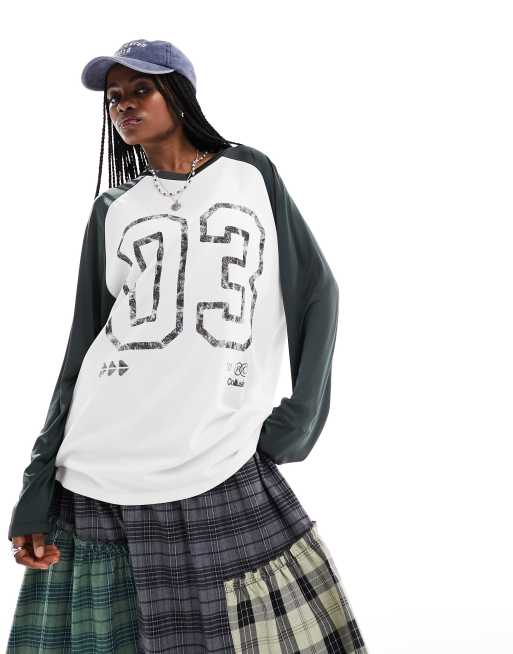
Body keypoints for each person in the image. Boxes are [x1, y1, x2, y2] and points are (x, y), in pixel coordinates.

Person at [7, 39, 369, 653]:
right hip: (98, 468)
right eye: (114, 98)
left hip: (217, 454)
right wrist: (36, 484)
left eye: (140, 89)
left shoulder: (249, 173)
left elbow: (316, 292)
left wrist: (302, 415)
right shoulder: (113, 209)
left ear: (179, 94)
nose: (124, 105)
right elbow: (81, 351)